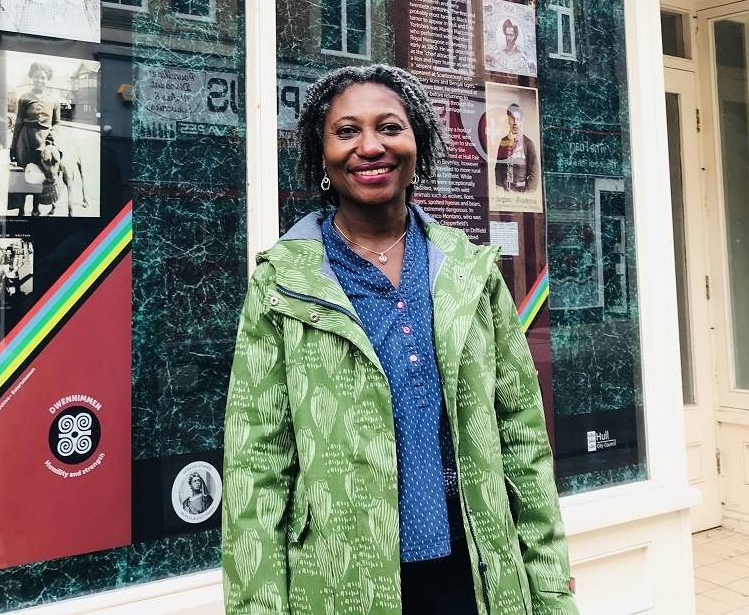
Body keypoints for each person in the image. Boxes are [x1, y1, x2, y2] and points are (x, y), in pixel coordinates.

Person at [222, 64, 576, 615]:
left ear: (419, 145)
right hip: (340, 581)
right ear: (321, 154)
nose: (370, 147)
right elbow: (256, 466)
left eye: (390, 127)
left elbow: (522, 440)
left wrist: (550, 588)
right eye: (346, 131)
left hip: (475, 570)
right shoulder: (282, 283)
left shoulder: (468, 272)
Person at [494, 102, 539, 193]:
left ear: (521, 121)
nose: (515, 122)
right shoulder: (503, 142)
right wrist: (499, 188)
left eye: (517, 119)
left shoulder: (528, 144)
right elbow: (498, 168)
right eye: (512, 119)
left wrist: (527, 193)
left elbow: (534, 172)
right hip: (504, 191)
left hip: (520, 192)